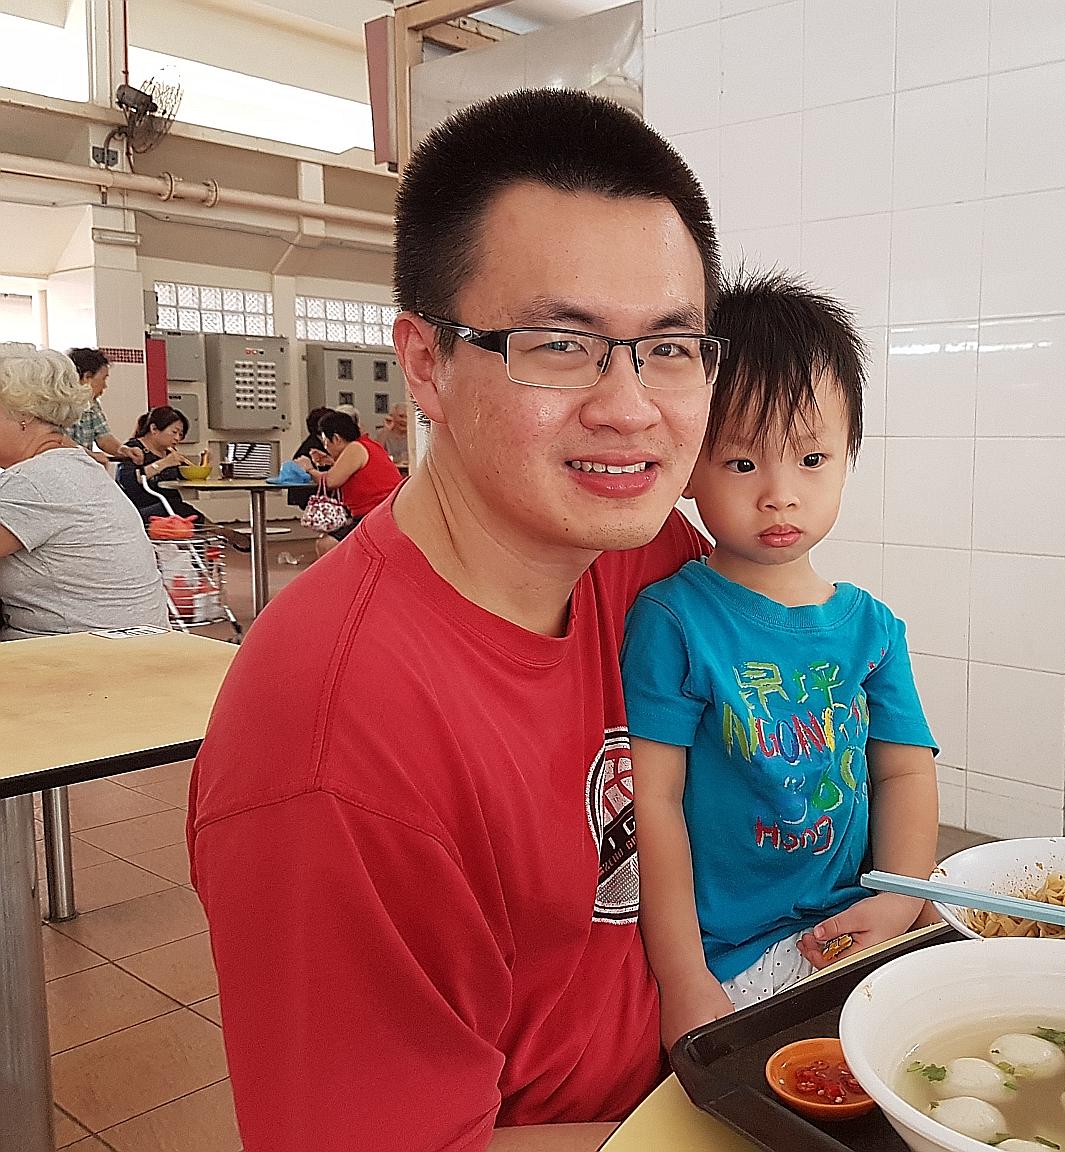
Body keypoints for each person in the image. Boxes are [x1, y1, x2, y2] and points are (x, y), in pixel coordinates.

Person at [188, 88, 723, 1152]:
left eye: (669, 346)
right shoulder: (335, 744)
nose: (630, 408)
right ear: (425, 363)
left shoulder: (649, 562)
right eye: (559, 344)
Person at [621, 272, 939, 1046]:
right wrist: (686, 978)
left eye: (811, 458)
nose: (779, 496)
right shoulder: (674, 619)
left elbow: (904, 770)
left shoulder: (872, 628)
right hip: (735, 953)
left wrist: (901, 899)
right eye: (741, 464)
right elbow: (651, 806)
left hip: (859, 920)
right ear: (690, 464)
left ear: (848, 457)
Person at [0, 343, 165, 640]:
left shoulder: (34, 482)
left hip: (82, 661)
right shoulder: (76, 467)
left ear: (22, 415)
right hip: (135, 651)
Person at [294, 409, 403, 555]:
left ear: (337, 439)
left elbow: (330, 481)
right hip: (383, 511)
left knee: (326, 544)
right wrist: (331, 461)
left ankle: (341, 578)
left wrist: (308, 468)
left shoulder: (355, 448)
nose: (326, 447)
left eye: (326, 442)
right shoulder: (367, 445)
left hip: (377, 514)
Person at [116, 406, 201, 523]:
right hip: (141, 510)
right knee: (177, 509)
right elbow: (127, 481)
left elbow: (184, 477)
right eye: (174, 432)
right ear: (154, 428)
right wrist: (164, 463)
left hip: (171, 506)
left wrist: (204, 463)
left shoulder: (169, 452)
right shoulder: (134, 449)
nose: (177, 438)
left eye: (180, 434)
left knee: (188, 513)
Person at [62, 347, 143, 466]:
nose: (105, 386)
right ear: (87, 377)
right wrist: (91, 455)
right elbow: (59, 440)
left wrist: (124, 450)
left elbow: (104, 438)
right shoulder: (58, 404)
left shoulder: (93, 405)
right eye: (103, 379)